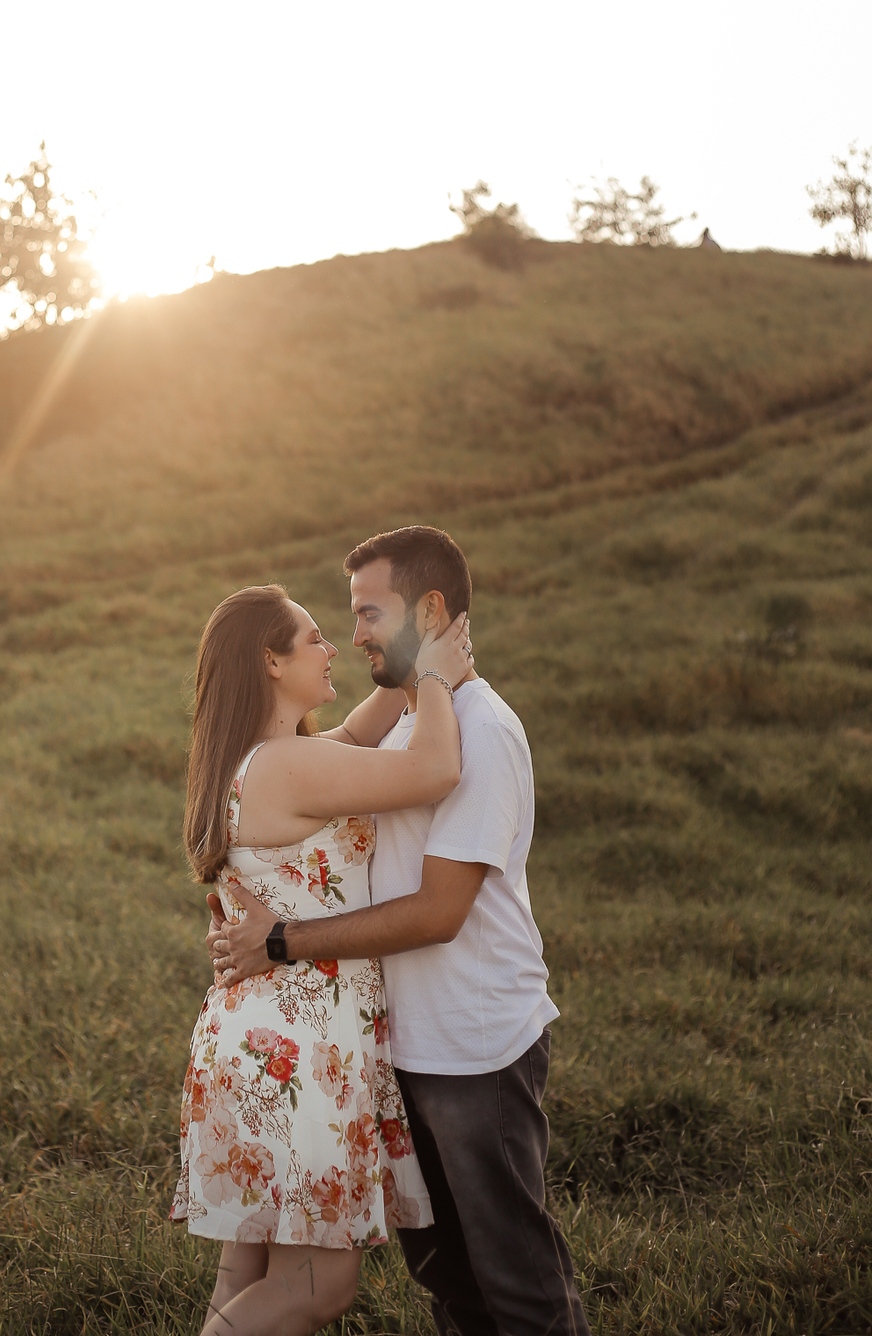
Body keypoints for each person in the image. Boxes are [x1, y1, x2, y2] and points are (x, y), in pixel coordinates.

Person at [210, 526, 590, 1336]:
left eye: (366, 614)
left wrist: (280, 940)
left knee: (515, 1284)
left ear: (430, 610)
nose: (350, 638)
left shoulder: (476, 730)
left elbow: (440, 912)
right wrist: (426, 671)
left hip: (470, 1044)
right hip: (378, 1047)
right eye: (334, 625)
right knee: (450, 1282)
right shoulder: (399, 730)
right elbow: (379, 738)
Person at [171, 581, 474, 1336]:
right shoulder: (286, 766)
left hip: (257, 1037)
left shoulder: (263, 760)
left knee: (247, 1274)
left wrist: (407, 653)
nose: (333, 647)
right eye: (314, 639)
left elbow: (361, 729)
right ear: (271, 662)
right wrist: (437, 674)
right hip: (297, 1053)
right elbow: (435, 770)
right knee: (318, 1287)